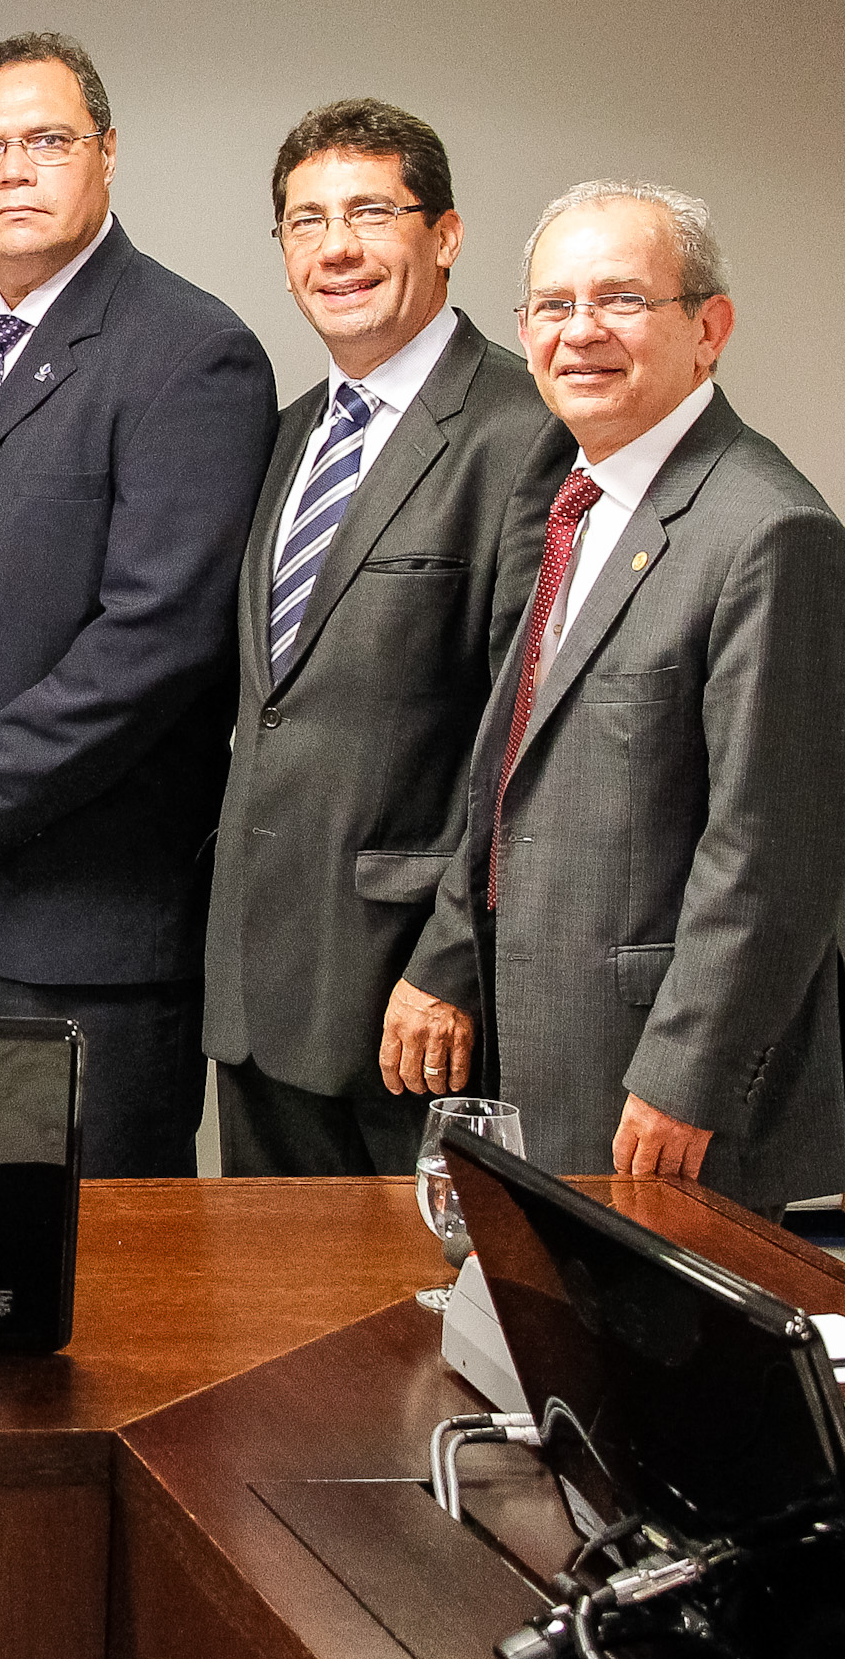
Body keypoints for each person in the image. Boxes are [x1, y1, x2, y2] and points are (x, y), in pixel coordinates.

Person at [0, 32, 278, 1177]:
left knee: (104, 1261)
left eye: (45, 140)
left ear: (106, 153)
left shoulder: (189, 350)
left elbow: (157, 638)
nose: (14, 170)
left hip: (84, 918)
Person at [394, 181, 845, 1215]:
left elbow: (772, 852)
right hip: (542, 1045)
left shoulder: (767, 530)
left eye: (621, 300)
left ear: (708, 329)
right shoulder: (572, 497)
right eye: (553, 305)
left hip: (660, 1095)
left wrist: (687, 1076)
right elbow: (517, 765)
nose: (580, 331)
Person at [204, 101, 561, 1176]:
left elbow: (526, 743)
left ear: (444, 235)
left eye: (369, 212)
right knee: (268, 1280)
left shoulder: (527, 431)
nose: (336, 248)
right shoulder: (287, 436)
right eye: (305, 221)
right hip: (260, 983)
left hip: (410, 998)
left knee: (419, 1282)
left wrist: (450, 962)